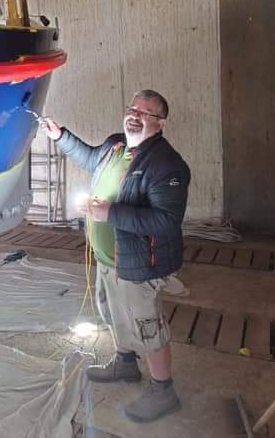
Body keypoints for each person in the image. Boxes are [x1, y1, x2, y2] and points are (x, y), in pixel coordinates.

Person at [43, 89, 190, 424]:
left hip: (139, 263)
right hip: (108, 257)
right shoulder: (115, 146)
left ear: (160, 123)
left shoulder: (167, 165)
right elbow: (87, 157)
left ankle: (163, 390)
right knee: (111, 311)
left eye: (146, 112)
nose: (135, 115)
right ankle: (125, 363)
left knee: (147, 326)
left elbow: (165, 223)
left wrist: (110, 212)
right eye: (132, 108)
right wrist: (60, 136)